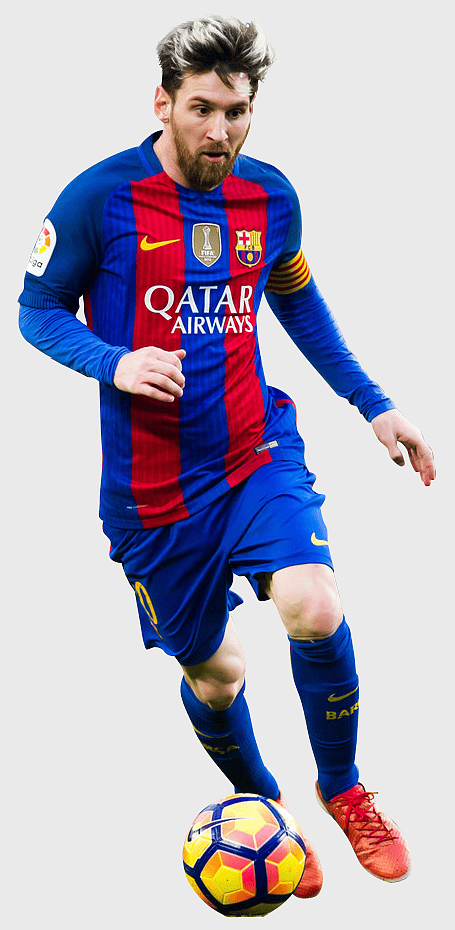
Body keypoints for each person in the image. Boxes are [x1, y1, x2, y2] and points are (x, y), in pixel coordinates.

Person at [18, 15, 435, 898]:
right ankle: (264, 810)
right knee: (217, 678)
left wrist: (374, 404)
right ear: (162, 103)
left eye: (236, 111)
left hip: (254, 451)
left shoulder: (269, 197)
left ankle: (342, 787)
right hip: (153, 490)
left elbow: (297, 301)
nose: (219, 131)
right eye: (201, 109)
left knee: (313, 604)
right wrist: (113, 361)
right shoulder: (99, 198)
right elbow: (36, 309)